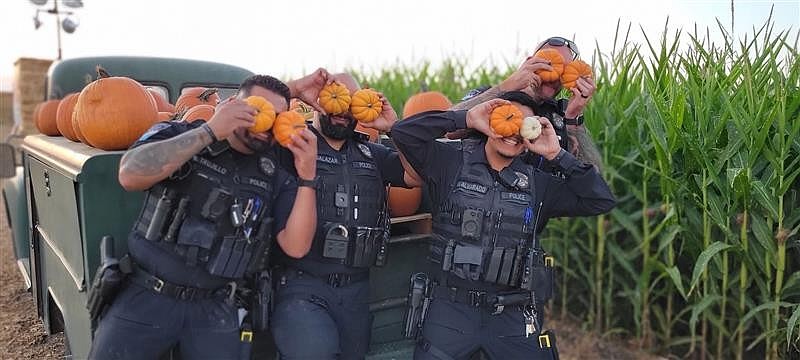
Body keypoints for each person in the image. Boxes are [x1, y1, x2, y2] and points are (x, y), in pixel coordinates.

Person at [88, 73, 322, 360]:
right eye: (257, 110)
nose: (265, 123)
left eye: (277, 117)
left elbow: (296, 245)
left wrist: (308, 176)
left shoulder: (274, 170)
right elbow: (130, 174)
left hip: (214, 308)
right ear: (232, 105)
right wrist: (209, 131)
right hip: (147, 295)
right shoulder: (183, 134)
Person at [391, 91, 616, 359]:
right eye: (506, 118)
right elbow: (403, 132)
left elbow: (601, 199)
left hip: (512, 315)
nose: (512, 131)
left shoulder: (539, 183)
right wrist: (467, 118)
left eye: (523, 125)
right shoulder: (449, 161)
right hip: (451, 310)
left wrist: (557, 154)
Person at [270, 72, 416, 359]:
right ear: (317, 101)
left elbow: (415, 176)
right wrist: (296, 90)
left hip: (356, 291)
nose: (341, 111)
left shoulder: (371, 153)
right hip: (303, 285)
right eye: (334, 99)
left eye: (351, 103)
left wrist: (394, 129)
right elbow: (251, 113)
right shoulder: (291, 143)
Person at [451, 36, 602, 170]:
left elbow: (591, 179)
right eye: (549, 63)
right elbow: (446, 129)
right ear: (528, 62)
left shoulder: (563, 115)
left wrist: (572, 118)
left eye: (564, 71)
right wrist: (504, 88)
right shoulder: (490, 97)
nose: (554, 76)